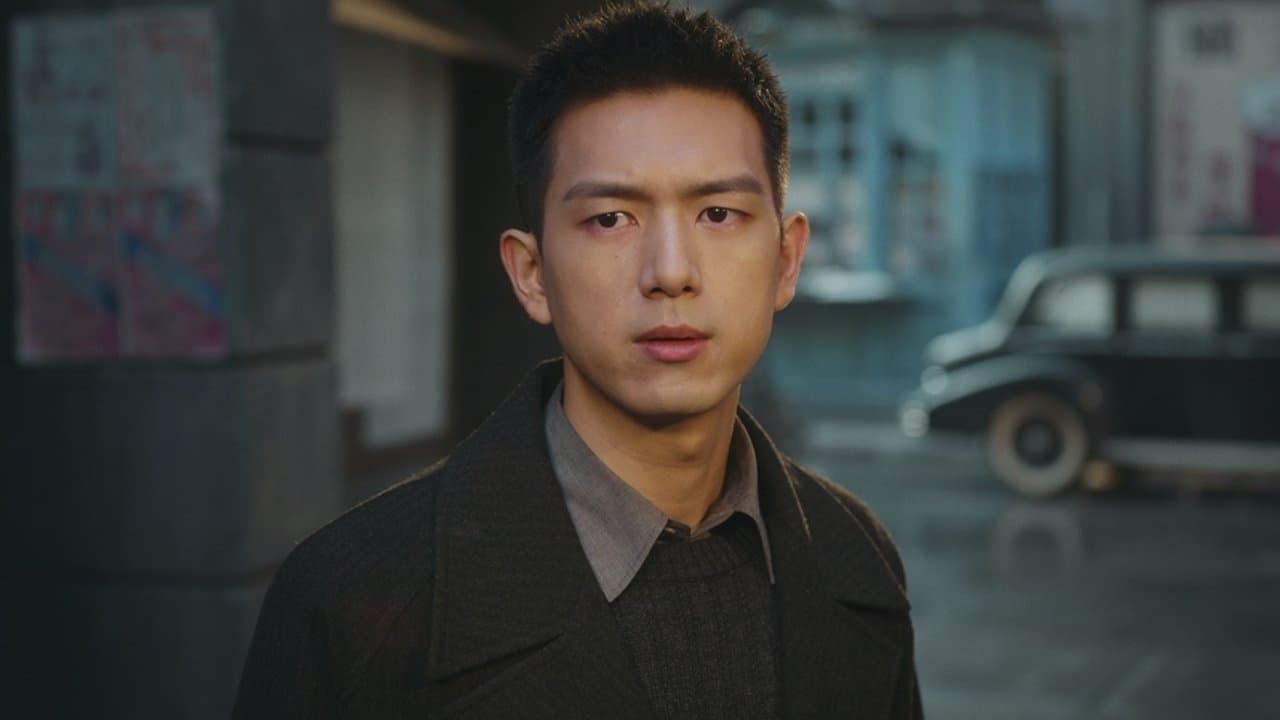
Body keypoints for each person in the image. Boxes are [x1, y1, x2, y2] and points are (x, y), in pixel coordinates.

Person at [234, 3, 921, 718]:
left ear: (786, 260)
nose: (671, 271)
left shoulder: (855, 555)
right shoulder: (352, 601)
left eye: (718, 213)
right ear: (531, 274)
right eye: (610, 219)